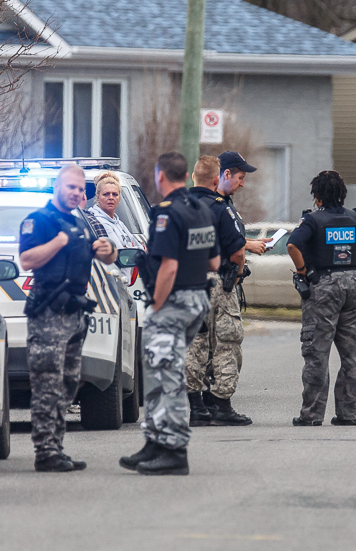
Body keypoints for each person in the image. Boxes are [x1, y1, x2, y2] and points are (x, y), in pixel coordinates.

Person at [119, 152, 219, 476]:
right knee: (158, 372)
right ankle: (155, 441)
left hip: (173, 303)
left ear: (160, 175)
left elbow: (169, 265)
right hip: (197, 298)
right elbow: (214, 262)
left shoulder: (166, 214)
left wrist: (157, 305)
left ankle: (174, 449)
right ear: (186, 175)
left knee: (168, 376)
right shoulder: (201, 209)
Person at [19, 164, 116, 472]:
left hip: (75, 313)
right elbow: (26, 259)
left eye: (80, 189)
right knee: (47, 383)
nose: (76, 193)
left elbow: (109, 256)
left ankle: (57, 447)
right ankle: (45, 450)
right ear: (57, 188)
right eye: (70, 187)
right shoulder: (40, 221)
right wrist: (57, 243)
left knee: (68, 383)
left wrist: (106, 249)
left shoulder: (81, 223)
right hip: (48, 312)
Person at [286, 170, 356, 427]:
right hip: (354, 284)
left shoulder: (313, 220)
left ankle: (311, 415)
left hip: (324, 286)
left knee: (317, 353)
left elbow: (292, 245)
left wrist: (302, 271)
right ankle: (349, 413)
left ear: (318, 197)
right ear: (342, 194)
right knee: (353, 355)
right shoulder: (355, 217)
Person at [185, 154, 268, 427]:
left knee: (193, 344)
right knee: (227, 343)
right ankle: (221, 404)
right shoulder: (222, 208)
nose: (242, 184)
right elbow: (236, 252)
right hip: (218, 282)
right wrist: (236, 271)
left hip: (186, 283)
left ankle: (195, 406)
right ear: (220, 176)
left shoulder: (178, 206)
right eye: (240, 178)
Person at [88, 172, 144, 249]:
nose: (111, 197)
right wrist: (130, 248)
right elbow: (119, 253)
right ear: (97, 197)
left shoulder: (118, 223)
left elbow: (140, 248)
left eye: (115, 194)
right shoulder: (99, 221)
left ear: (119, 198)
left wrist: (129, 248)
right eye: (106, 194)